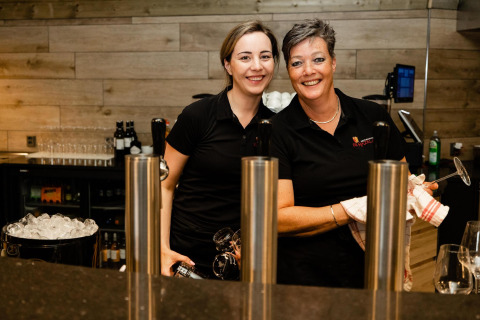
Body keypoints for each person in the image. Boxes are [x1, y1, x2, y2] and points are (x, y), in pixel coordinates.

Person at [271, 18, 436, 288]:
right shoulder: (279, 131)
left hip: (373, 272)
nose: (308, 71)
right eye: (297, 63)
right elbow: (279, 218)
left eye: (318, 59)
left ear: (333, 62)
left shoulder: (372, 117)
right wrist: (351, 209)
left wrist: (413, 191)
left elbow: (401, 180)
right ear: (288, 70)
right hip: (303, 279)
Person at [160, 21, 279, 278]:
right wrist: (161, 249)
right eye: (245, 57)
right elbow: (164, 185)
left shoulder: (276, 127)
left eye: (265, 56)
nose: (256, 66)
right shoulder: (198, 116)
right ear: (228, 64)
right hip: (186, 260)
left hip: (243, 266)